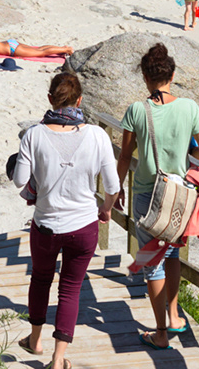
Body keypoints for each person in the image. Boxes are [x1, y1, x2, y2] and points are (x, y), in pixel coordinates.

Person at [11, 72, 121, 368]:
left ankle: (35, 340)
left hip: (46, 224)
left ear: (50, 100)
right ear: (80, 100)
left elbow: (19, 181)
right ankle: (58, 359)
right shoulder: (97, 136)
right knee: (71, 288)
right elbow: (113, 187)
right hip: (83, 226)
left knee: (41, 279)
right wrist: (107, 209)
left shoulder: (34, 134)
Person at [116, 43, 199, 349]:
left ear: (145, 78)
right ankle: (173, 315)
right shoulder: (190, 108)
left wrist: (116, 187)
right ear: (171, 75)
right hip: (179, 196)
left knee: (151, 263)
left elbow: (125, 155)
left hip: (147, 195)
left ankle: (160, 334)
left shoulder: (137, 110)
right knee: (172, 254)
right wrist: (185, 149)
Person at [0, 18, 72, 59]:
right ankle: (62, 48)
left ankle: (66, 50)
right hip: (10, 44)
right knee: (38, 49)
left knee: (41, 53)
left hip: (12, 50)